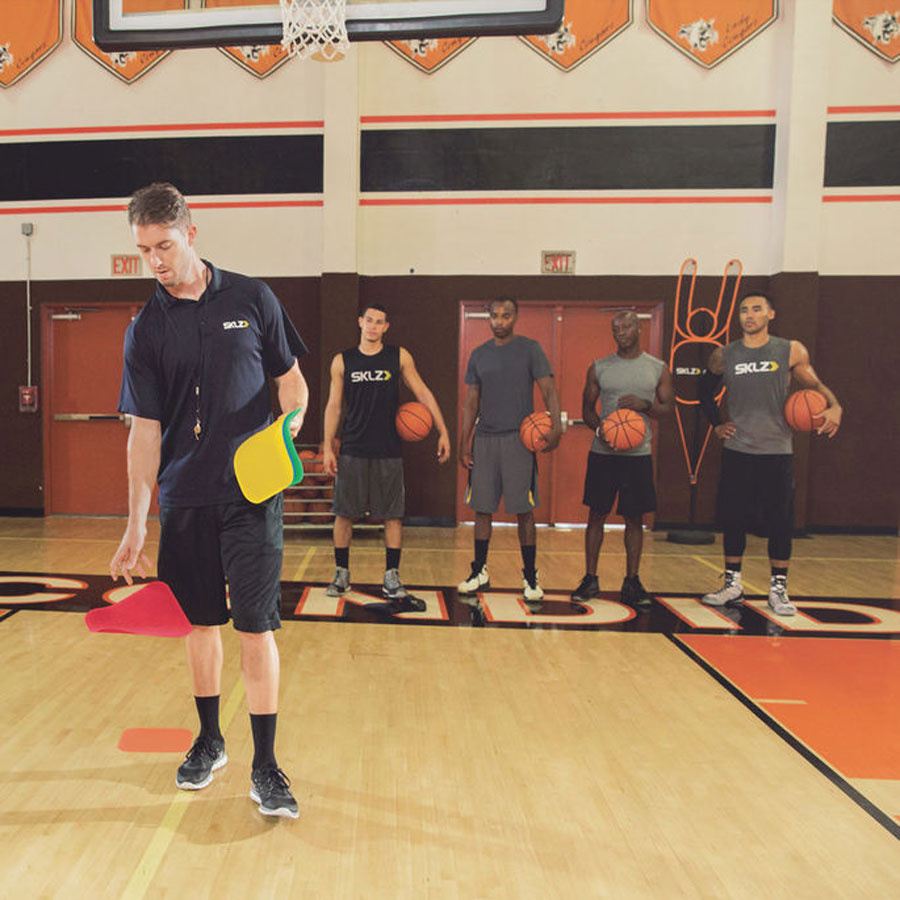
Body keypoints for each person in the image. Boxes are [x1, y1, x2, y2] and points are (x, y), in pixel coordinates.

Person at [109, 183, 308, 819]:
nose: (155, 261)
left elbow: (292, 382)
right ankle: (209, 739)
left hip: (251, 494)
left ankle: (266, 764)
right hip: (185, 498)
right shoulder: (145, 330)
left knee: (256, 626)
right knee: (199, 624)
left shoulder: (252, 298)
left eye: (164, 246)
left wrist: (289, 429)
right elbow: (144, 432)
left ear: (191, 234)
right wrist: (136, 523)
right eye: (144, 250)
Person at [698, 291, 842, 616]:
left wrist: (835, 406)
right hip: (738, 449)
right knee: (734, 520)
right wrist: (717, 424)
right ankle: (733, 584)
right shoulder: (724, 355)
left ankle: (778, 590)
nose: (749, 315)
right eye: (744, 310)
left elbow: (815, 386)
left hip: (777, 451)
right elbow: (704, 391)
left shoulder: (790, 350)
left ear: (770, 314)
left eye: (756, 309)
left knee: (780, 522)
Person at [322, 304, 451, 610]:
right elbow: (334, 405)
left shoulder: (399, 357)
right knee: (344, 514)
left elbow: (423, 393)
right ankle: (341, 573)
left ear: (386, 327)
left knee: (393, 515)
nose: (373, 326)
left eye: (379, 322)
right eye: (369, 320)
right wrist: (327, 446)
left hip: (388, 449)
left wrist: (442, 430)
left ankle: (391, 576)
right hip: (353, 448)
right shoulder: (342, 361)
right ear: (360, 322)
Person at [457, 297, 562, 601]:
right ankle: (479, 571)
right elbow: (471, 402)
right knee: (482, 509)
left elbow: (548, 389)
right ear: (488, 318)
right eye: (495, 316)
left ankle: (530, 576)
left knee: (524, 511)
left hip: (519, 439)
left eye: (506, 316)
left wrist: (556, 426)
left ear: (515, 318)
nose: (500, 321)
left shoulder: (530, 349)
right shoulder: (479, 354)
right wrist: (464, 441)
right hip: (485, 440)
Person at [570, 311, 673, 607]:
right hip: (604, 454)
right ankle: (590, 578)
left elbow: (668, 408)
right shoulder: (599, 367)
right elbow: (587, 409)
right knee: (596, 514)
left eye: (627, 326)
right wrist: (599, 429)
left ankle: (632, 580)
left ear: (639, 328)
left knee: (634, 518)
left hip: (637, 456)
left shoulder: (657, 368)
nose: (621, 332)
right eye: (616, 328)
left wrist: (645, 405)